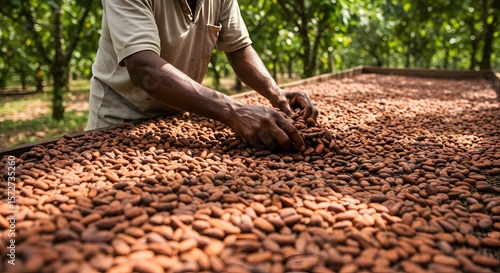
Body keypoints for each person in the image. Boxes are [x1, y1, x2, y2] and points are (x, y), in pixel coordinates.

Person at [87, 0, 318, 151]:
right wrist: (233, 111)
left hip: (180, 111)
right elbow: (143, 67)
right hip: (120, 118)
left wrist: (275, 91)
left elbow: (238, 49)